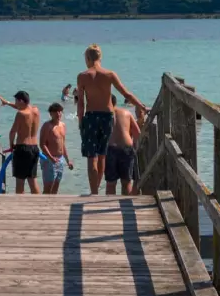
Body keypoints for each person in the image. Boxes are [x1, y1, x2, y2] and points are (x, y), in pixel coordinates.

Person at [77, 44, 146, 195]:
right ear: (100, 58)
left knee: (91, 157)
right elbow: (126, 94)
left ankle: (94, 192)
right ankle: (98, 189)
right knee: (102, 155)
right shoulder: (109, 74)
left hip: (90, 116)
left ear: (88, 58)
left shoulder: (82, 76)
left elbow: (81, 103)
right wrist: (141, 106)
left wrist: (80, 121)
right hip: (107, 116)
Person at [0, 91, 41, 194]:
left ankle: (20, 206)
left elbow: (12, 132)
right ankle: (39, 204)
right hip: (34, 148)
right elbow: (22, 108)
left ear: (20, 101)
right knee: (32, 180)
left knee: (20, 181)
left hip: (22, 148)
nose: (15, 103)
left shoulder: (20, 114)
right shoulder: (36, 110)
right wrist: (7, 103)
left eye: (16, 101)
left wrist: (11, 144)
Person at [105, 96, 142, 195]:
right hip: (126, 149)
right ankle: (126, 207)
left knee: (110, 183)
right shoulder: (127, 113)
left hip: (111, 149)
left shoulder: (104, 115)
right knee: (126, 182)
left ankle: (108, 206)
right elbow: (138, 133)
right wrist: (135, 148)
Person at [40, 103, 74, 194]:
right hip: (48, 159)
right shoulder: (47, 126)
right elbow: (42, 144)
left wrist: (68, 160)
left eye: (60, 112)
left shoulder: (63, 125)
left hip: (60, 159)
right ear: (51, 114)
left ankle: (52, 206)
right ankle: (43, 206)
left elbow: (62, 144)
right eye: (55, 112)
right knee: (48, 188)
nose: (58, 114)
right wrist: (51, 158)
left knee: (55, 187)